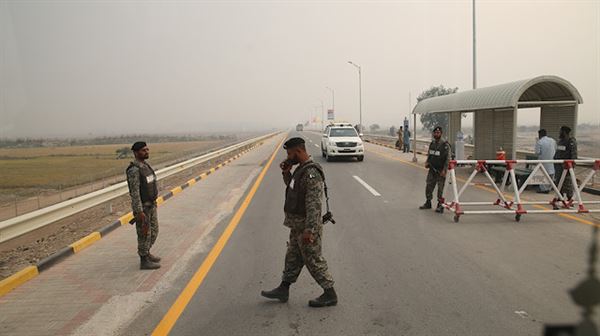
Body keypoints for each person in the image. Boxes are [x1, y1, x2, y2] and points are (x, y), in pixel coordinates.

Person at [261, 137, 337, 307]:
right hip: (297, 226)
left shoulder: (311, 173)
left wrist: (309, 231)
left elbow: (314, 205)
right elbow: (293, 189)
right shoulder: (300, 170)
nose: (288, 157)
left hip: (306, 227)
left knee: (313, 259)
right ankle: (283, 288)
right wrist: (286, 172)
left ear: (299, 151)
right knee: (292, 257)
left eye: (290, 153)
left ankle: (330, 293)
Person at [126, 141, 161, 270]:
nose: (146, 152)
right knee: (144, 234)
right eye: (143, 150)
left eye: (147, 150)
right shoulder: (134, 170)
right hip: (142, 208)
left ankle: (147, 253)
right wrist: (139, 211)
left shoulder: (145, 166)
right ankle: (144, 260)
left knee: (154, 232)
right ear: (136, 153)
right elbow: (134, 193)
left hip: (151, 206)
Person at [419, 126, 451, 213]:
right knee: (429, 186)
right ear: (433, 133)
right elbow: (430, 154)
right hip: (432, 170)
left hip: (441, 171)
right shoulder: (432, 143)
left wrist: (444, 170)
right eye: (435, 133)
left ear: (441, 134)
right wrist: (427, 162)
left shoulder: (445, 145)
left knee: (440, 189)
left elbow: (448, 159)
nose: (436, 134)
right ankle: (428, 202)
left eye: (438, 133)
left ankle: (440, 205)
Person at [553, 126, 578, 205]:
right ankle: (560, 198)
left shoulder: (571, 142)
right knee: (558, 182)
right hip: (558, 167)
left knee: (567, 183)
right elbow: (558, 152)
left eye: (560, 131)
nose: (559, 133)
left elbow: (573, 155)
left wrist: (571, 166)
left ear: (564, 132)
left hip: (567, 167)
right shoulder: (560, 141)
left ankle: (570, 199)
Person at [534, 129, 556, 194]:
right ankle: (549, 188)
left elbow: (537, 152)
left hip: (543, 161)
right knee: (551, 174)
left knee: (542, 174)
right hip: (552, 161)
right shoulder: (553, 140)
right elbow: (555, 149)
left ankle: (543, 189)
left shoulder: (539, 142)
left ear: (540, 134)